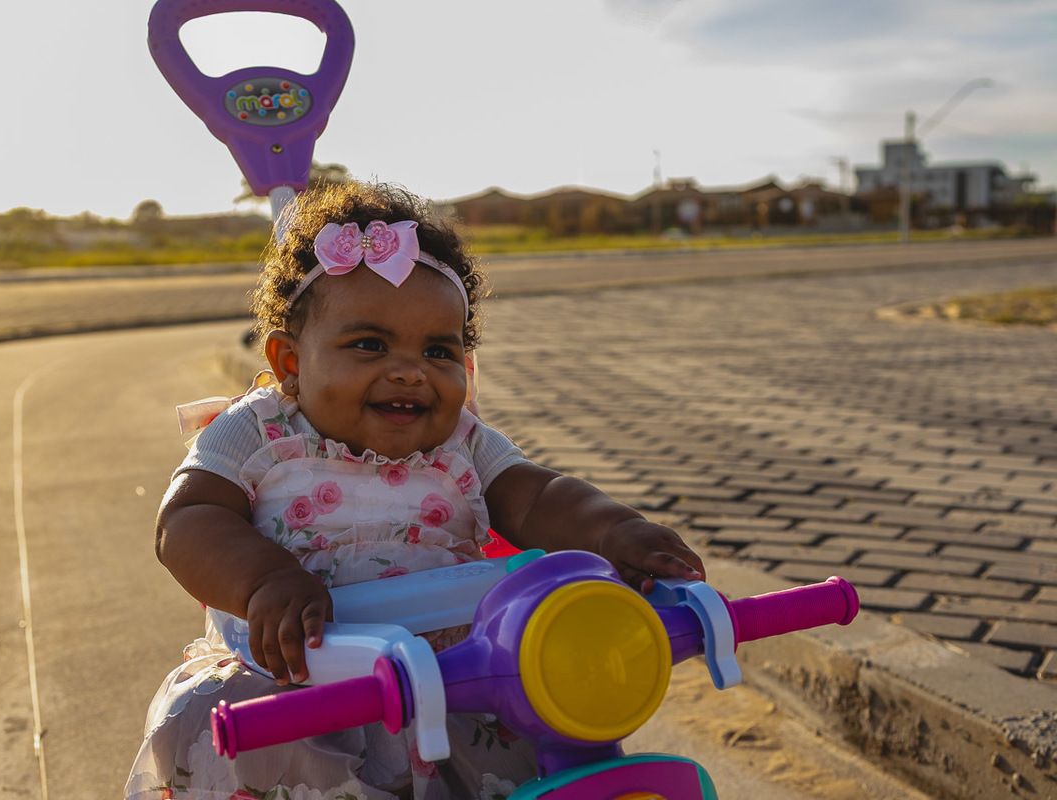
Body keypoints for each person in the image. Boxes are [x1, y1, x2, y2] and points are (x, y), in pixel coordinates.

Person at [125, 181, 705, 800]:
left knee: (547, 713)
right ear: (291, 363)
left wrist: (614, 530)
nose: (409, 370)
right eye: (369, 344)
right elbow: (187, 519)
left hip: (456, 680)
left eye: (438, 350)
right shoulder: (258, 428)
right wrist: (263, 580)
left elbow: (536, 496)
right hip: (299, 676)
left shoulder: (461, 440)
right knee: (215, 721)